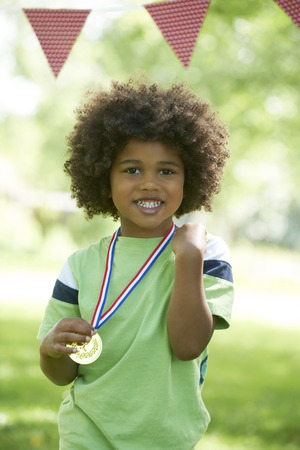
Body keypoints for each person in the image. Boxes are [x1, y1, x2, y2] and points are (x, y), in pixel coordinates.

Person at [38, 78, 234, 450]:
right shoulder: (79, 266)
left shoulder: (207, 253)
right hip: (86, 430)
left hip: (164, 435)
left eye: (166, 170)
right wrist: (51, 348)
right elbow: (62, 374)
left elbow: (188, 344)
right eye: (131, 170)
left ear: (189, 177)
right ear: (102, 176)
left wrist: (189, 258)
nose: (149, 184)